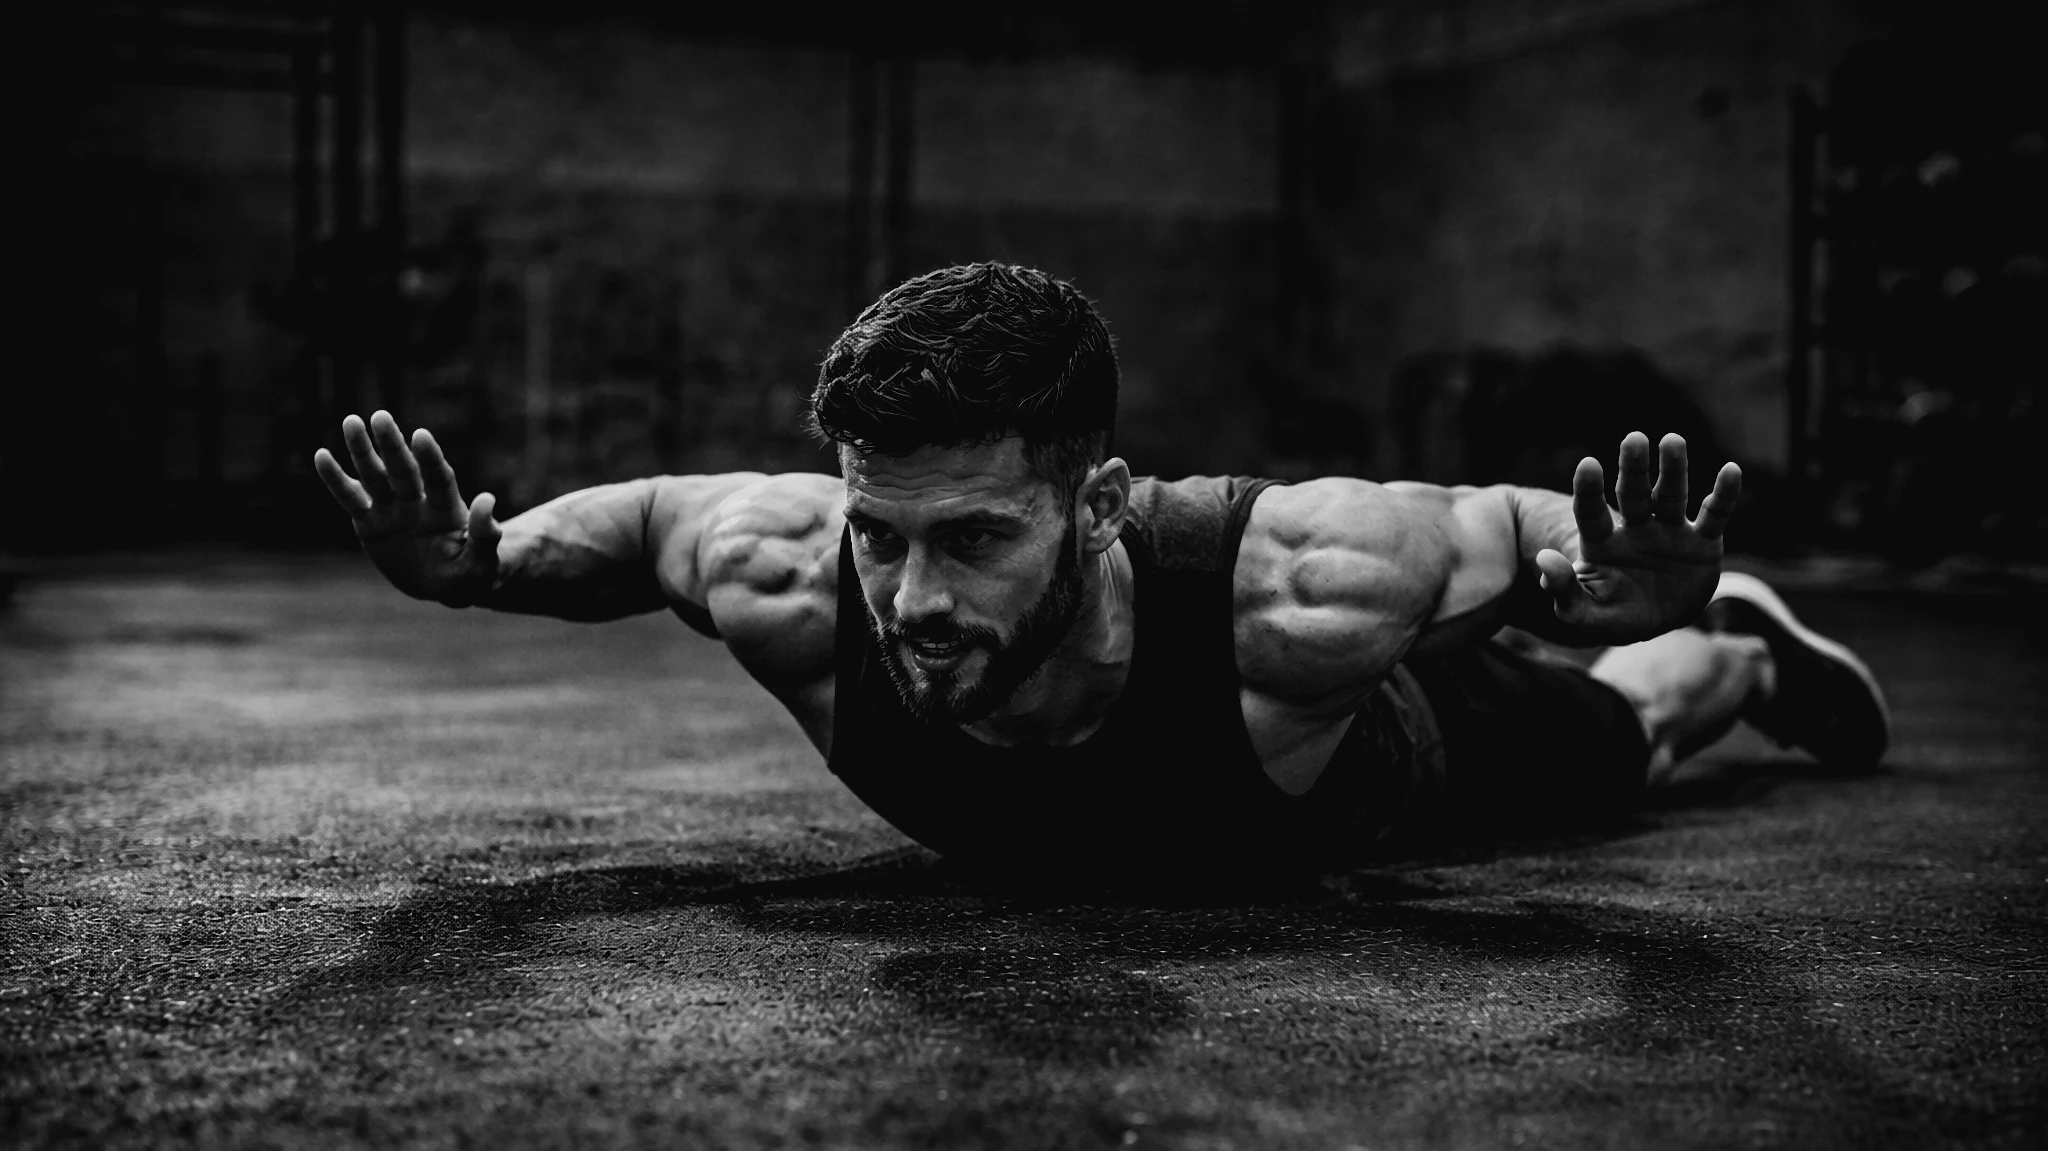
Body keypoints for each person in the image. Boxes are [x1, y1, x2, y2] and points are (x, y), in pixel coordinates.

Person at [313, 263, 1889, 888]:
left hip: (1354, 743)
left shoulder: (1299, 585)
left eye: (976, 538)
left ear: (1104, 506)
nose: (910, 600)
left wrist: (1637, 584)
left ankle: (1750, 649)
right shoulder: (788, 572)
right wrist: (477, 564)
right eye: (881, 532)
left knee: (1629, 732)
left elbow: (1498, 526)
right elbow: (654, 517)